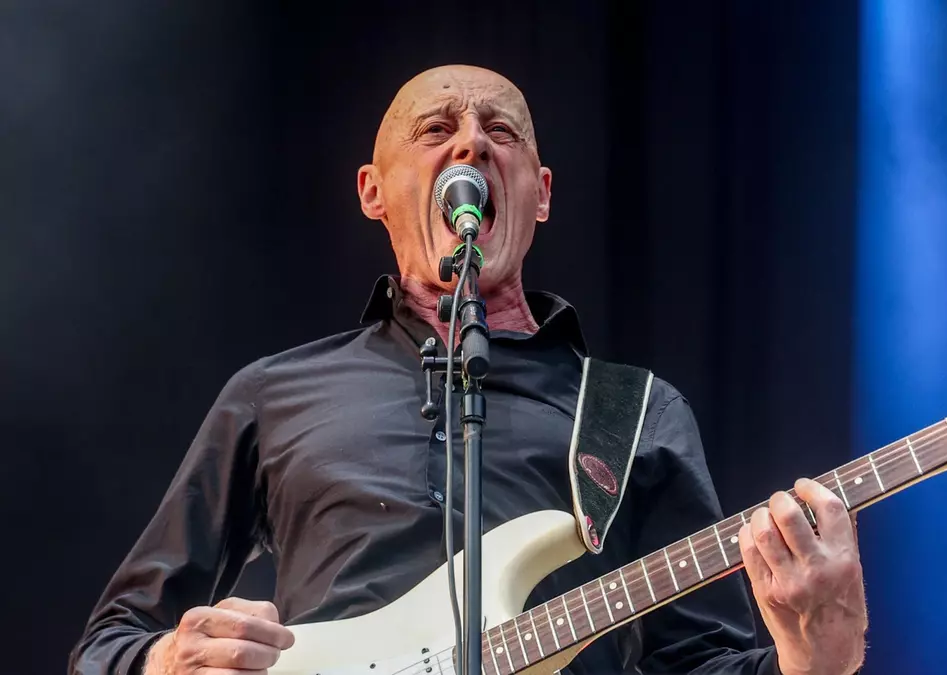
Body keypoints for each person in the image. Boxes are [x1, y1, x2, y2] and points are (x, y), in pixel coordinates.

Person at [69, 65, 868, 675]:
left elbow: (698, 660)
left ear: (541, 194)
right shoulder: (272, 394)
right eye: (436, 129)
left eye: (501, 132)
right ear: (373, 192)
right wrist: (163, 659)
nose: (471, 144)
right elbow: (108, 641)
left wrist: (817, 657)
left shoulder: (633, 412)